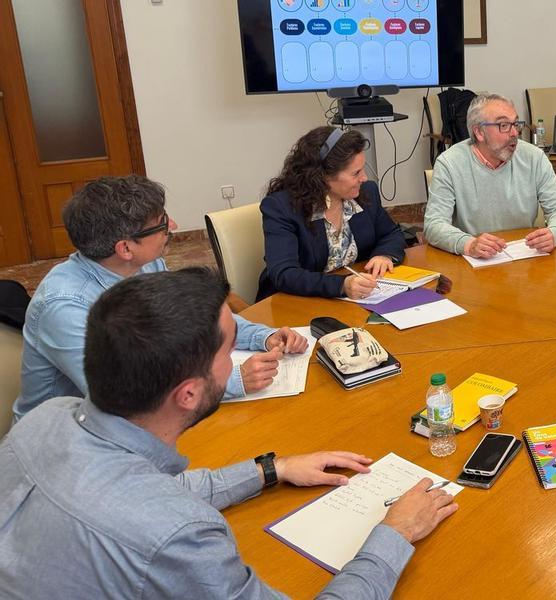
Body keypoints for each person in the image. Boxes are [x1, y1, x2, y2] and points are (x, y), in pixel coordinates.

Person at [0, 268, 457, 597]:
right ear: (188, 393)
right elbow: (157, 513)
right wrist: (394, 533)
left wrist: (271, 470)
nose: (238, 357)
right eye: (229, 350)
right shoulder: (182, 535)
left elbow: (142, 491)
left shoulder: (47, 418)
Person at [15, 176, 305, 422]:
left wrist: (263, 337)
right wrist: (232, 380)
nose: (174, 226)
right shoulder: (64, 307)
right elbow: (121, 394)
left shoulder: (146, 263)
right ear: (125, 248)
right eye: (162, 224)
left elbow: (196, 319)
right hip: (65, 437)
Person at [259, 126, 408, 301]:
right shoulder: (281, 207)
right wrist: (341, 285)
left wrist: (383, 255)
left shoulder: (366, 193)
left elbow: (391, 234)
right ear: (324, 176)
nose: (365, 178)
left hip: (352, 302)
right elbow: (285, 274)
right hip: (295, 303)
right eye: (356, 173)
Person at [424, 92, 556, 258]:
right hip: (475, 262)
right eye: (503, 125)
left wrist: (555, 233)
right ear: (479, 132)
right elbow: (434, 225)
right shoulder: (449, 163)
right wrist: (468, 244)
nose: (514, 133)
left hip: (524, 256)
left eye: (516, 124)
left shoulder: (534, 157)